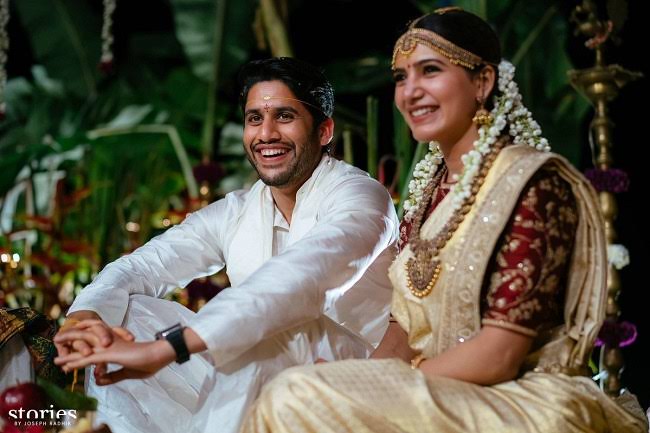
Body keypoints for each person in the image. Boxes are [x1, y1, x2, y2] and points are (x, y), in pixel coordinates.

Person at [239, 8, 648, 433]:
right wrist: (358, 380)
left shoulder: (531, 184)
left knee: (294, 396)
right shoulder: (428, 194)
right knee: (294, 387)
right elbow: (403, 332)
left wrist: (377, 385)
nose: (410, 92)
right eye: (401, 77)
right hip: (434, 389)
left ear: (483, 82)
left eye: (430, 71)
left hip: (518, 396)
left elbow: (500, 354)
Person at [53, 57, 398, 433]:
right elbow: (144, 266)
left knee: (272, 329)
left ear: (324, 130)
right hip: (261, 374)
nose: (266, 134)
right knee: (126, 315)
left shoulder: (360, 197)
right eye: (255, 118)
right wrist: (86, 316)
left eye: (284, 116)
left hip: (361, 377)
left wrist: (167, 348)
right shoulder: (238, 211)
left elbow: (297, 281)